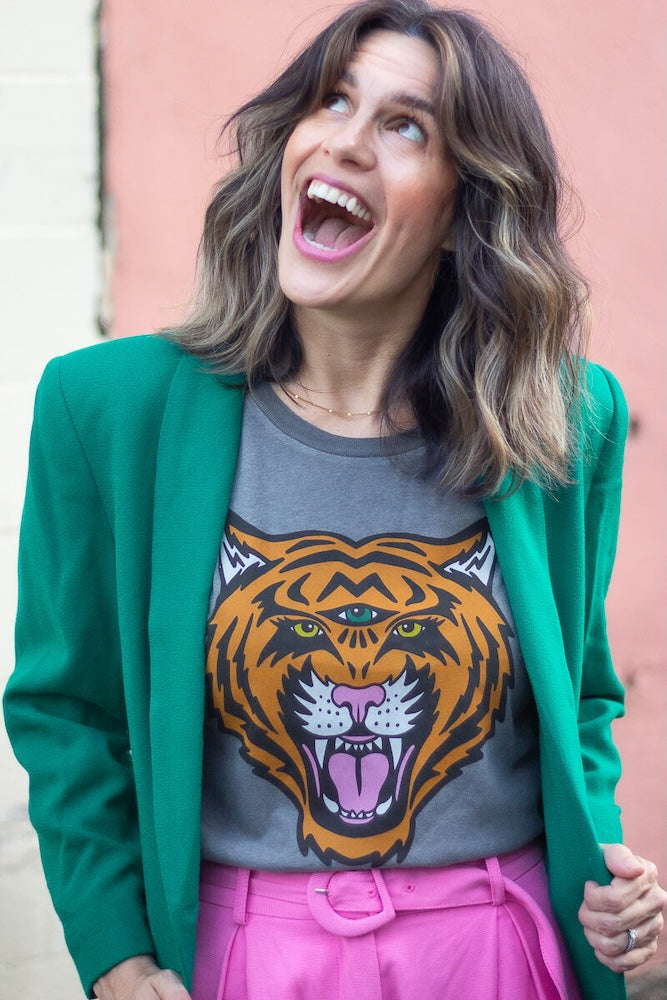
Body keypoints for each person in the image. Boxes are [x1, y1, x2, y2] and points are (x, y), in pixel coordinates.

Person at [3, 2, 665, 999]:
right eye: (331, 101)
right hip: (244, 955)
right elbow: (65, 707)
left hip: (497, 948)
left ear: (462, 210)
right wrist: (117, 954)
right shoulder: (107, 409)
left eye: (406, 126)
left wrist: (611, 881)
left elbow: (576, 697)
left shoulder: (564, 417)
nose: (344, 140)